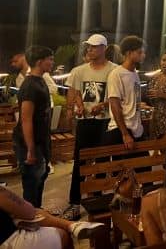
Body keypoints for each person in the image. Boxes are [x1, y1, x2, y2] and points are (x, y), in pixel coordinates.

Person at [63, 34, 118, 220]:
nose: (90, 50)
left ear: (104, 48)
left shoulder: (114, 71)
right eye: (89, 47)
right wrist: (76, 105)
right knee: (80, 161)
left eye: (94, 47)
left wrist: (102, 106)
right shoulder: (79, 71)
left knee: (103, 161)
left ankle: (98, 199)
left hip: (106, 122)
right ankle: (74, 202)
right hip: (86, 122)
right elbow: (74, 92)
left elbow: (117, 97)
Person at [12, 46, 54, 208]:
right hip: (29, 144)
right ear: (39, 62)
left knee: (39, 181)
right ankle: (30, 222)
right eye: (49, 59)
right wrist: (30, 149)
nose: (52, 62)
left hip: (40, 142)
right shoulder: (30, 86)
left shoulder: (41, 81)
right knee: (31, 185)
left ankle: (38, 216)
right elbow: (26, 119)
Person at [0, 185, 104, 249]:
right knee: (63, 235)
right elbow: (29, 212)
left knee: (29, 217)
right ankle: (72, 226)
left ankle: (73, 225)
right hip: (10, 243)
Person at [103, 36, 145, 148]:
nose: (143, 55)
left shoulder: (135, 74)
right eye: (139, 52)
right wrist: (125, 134)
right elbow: (115, 105)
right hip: (121, 131)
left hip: (136, 130)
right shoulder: (116, 74)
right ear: (129, 53)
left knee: (144, 165)